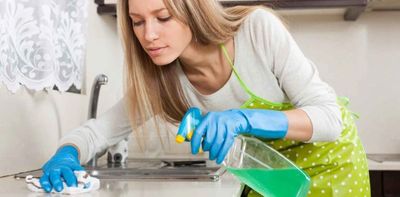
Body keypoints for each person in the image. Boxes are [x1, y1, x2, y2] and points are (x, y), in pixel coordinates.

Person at [39, 0, 371, 196]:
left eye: (163, 17)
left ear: (193, 8)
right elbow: (98, 132)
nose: (149, 35)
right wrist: (66, 154)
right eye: (137, 22)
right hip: (268, 179)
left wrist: (245, 119)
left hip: (329, 168)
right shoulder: (164, 82)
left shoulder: (257, 30)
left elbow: (330, 120)